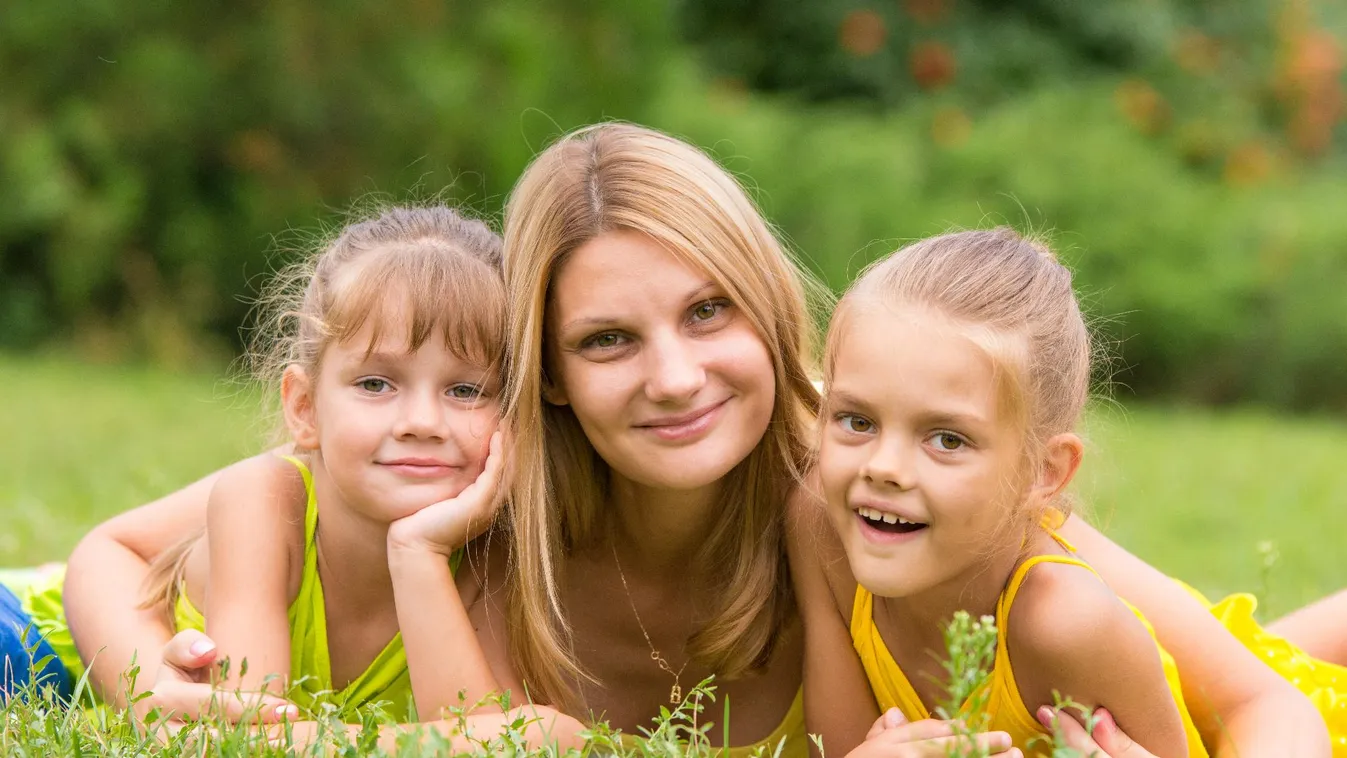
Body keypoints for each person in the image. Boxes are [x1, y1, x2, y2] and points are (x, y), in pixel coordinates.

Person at [62, 126, 1329, 756]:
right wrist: (142, 676)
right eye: (607, 340)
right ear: (540, 379)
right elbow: (112, 554)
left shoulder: (867, 478)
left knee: (1293, 638)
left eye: (710, 311)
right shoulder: (464, 487)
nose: (675, 376)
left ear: (771, 308)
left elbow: (1253, 699)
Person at [793, 227, 1343, 757]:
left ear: (1044, 473)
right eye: (857, 421)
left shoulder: (1067, 622)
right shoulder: (820, 519)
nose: (883, 467)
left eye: (947, 438)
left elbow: (1269, 702)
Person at [1, 205, 524, 728]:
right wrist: (144, 693)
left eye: (466, 390)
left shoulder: (502, 550)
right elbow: (250, 731)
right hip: (31, 634)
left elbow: (477, 735)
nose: (422, 421)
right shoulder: (267, 500)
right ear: (304, 408)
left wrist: (423, 551)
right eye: (375, 384)